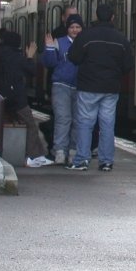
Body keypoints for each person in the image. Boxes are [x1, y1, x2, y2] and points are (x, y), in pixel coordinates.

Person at [66, 3, 133, 172]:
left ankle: (82, 159)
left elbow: (73, 57)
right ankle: (106, 161)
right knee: (107, 124)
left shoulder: (86, 36)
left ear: (96, 16)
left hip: (88, 86)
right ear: (112, 17)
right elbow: (128, 64)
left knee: (85, 123)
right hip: (111, 88)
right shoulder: (121, 39)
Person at [0, 30, 54, 167]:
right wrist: (29, 57)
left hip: (0, 96)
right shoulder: (17, 56)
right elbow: (32, 71)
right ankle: (35, 156)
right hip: (16, 97)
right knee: (30, 125)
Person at [42, 13, 83, 166]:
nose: (75, 30)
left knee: (78, 120)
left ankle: (73, 151)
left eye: (78, 27)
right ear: (67, 29)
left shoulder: (85, 43)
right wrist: (50, 48)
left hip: (80, 86)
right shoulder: (59, 42)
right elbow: (49, 63)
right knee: (63, 118)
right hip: (61, 85)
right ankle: (59, 151)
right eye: (72, 27)